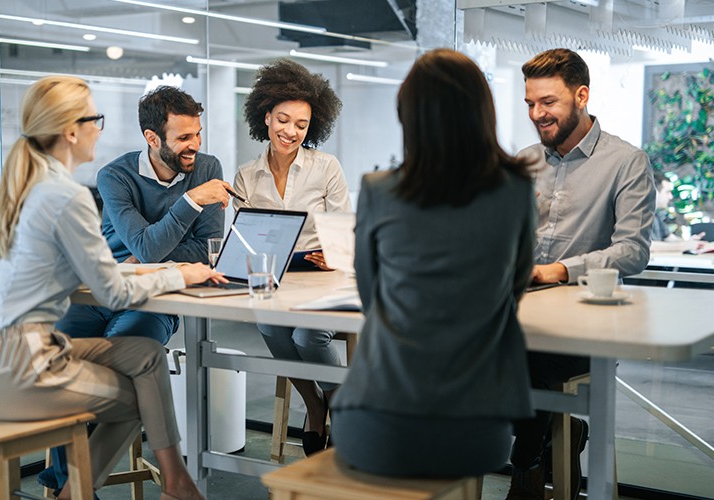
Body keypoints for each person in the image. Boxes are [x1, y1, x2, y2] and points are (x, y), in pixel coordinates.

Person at [0, 75, 225, 500]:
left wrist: (148, 266)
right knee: (140, 397)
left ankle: (176, 484)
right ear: (70, 131)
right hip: (15, 369)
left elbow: (106, 274)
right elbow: (112, 293)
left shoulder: (34, 186)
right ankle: (76, 494)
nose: (100, 128)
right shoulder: (66, 195)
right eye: (95, 119)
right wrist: (180, 273)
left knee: (147, 355)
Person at [329, 48, 535, 477]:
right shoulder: (516, 189)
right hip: (481, 435)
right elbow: (513, 290)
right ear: (483, 113)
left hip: (378, 429)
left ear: (410, 117)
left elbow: (372, 298)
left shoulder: (380, 190)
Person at [40, 85, 233, 492]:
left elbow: (206, 249)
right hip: (96, 296)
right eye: (183, 137)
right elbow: (148, 247)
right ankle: (71, 482)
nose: (194, 145)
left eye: (197, 134)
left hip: (158, 299)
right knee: (62, 360)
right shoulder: (115, 175)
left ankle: (71, 485)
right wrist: (192, 203)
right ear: (152, 138)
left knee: (123, 357)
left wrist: (149, 252)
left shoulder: (207, 167)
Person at [510, 48, 655, 500]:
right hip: (519, 313)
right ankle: (559, 432)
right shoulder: (525, 161)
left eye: (548, 102)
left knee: (519, 363)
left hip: (584, 327)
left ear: (582, 95)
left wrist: (559, 270)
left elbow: (633, 251)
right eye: (531, 103)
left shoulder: (627, 162)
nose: (537, 114)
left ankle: (525, 467)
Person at [232, 58, 350, 455]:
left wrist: (333, 256)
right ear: (265, 117)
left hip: (322, 273)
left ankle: (341, 405)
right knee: (270, 328)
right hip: (275, 277)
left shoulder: (326, 166)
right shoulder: (247, 176)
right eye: (283, 120)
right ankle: (316, 404)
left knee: (307, 335)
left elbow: (345, 229)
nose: (291, 132)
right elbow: (244, 238)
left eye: (301, 125)